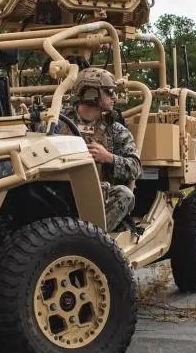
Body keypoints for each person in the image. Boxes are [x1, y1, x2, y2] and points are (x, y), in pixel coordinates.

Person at [59, 67, 141, 233]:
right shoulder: (58, 122)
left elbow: (135, 168)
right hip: (59, 193)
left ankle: (94, 239)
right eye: (109, 92)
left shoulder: (115, 129)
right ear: (91, 93)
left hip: (95, 198)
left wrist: (108, 157)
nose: (115, 97)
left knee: (124, 195)